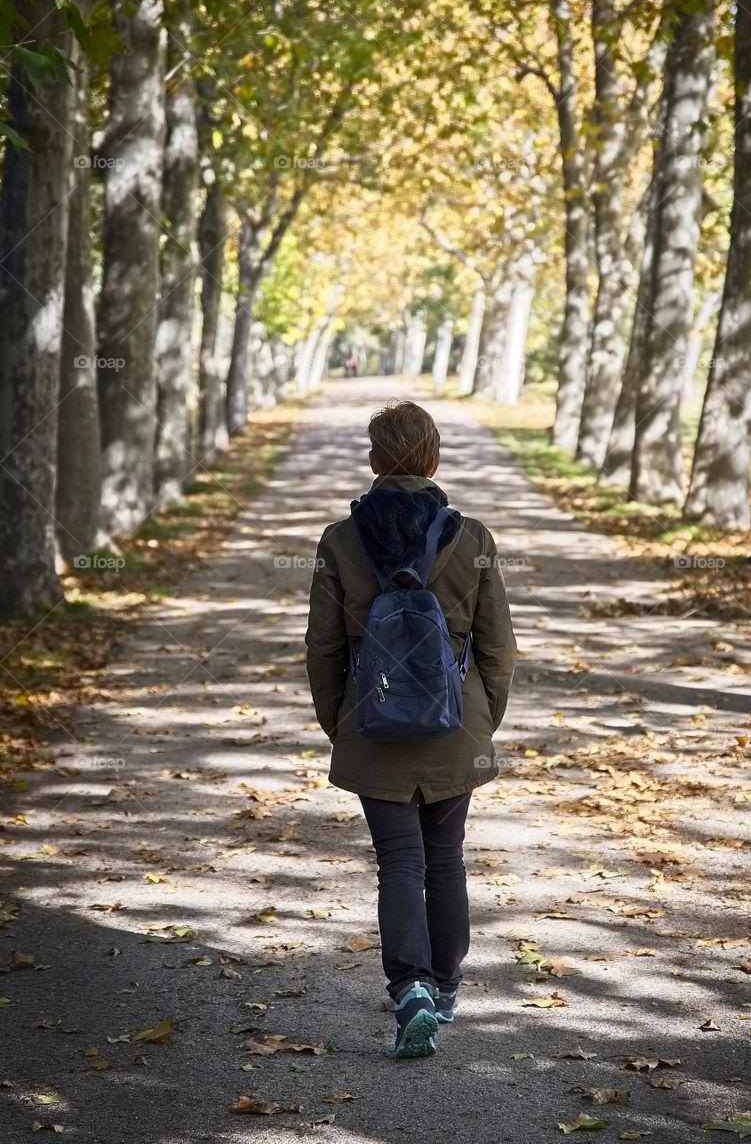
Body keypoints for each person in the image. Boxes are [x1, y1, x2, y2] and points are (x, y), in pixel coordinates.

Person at [305, 399, 516, 1058]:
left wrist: (341, 724)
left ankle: (410, 990)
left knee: (397, 861)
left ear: (372, 461)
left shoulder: (340, 541)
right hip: (457, 728)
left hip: (372, 721)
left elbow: (323, 649)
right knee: (445, 858)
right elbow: (498, 649)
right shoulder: (472, 538)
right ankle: (446, 987)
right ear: (434, 456)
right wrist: (483, 721)